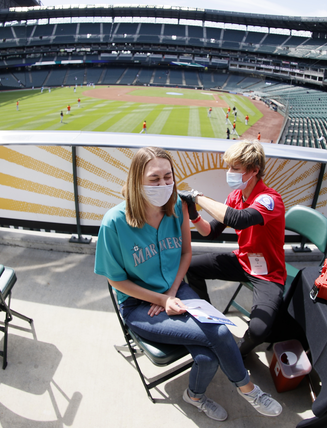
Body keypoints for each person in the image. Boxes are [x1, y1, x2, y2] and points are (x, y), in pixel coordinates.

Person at [95, 147, 282, 421]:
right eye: (154, 178)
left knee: (208, 357)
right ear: (137, 180)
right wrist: (161, 300)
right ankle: (248, 389)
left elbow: (186, 253)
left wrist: (171, 293)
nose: (164, 184)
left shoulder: (177, 207)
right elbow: (115, 279)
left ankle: (193, 396)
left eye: (168, 177)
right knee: (218, 334)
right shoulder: (114, 222)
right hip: (138, 305)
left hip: (176, 290)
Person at [180, 140, 286, 357]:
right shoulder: (236, 196)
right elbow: (210, 232)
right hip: (243, 261)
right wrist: (193, 212)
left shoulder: (270, 199)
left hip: (268, 274)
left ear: (254, 170)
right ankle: (210, 324)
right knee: (190, 267)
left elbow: (239, 219)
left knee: (258, 331)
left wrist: (198, 197)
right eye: (229, 167)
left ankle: (239, 353)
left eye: (235, 168)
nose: (229, 172)